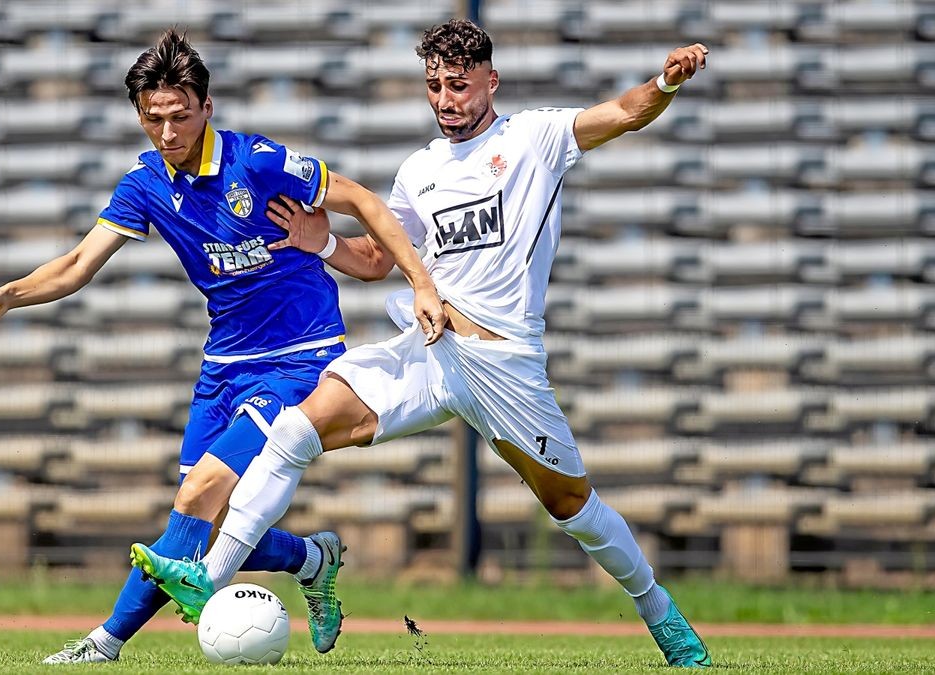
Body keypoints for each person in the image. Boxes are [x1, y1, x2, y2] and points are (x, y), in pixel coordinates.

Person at [133, 19, 713, 668]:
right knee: (296, 426)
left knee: (571, 506)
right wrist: (318, 241)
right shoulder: (420, 171)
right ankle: (210, 576)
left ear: (490, 82)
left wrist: (666, 81)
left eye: (459, 85)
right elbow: (379, 259)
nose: (445, 99)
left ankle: (660, 610)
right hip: (430, 351)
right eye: (434, 85)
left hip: (503, 365)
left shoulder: (535, 139)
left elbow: (628, 112)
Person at [0, 30, 445, 663]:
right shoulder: (144, 185)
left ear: (206, 108)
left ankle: (103, 644)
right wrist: (8, 295)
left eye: (179, 116)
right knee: (204, 524)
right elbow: (78, 264)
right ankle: (310, 558)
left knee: (195, 498)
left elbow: (364, 202)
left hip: (300, 355)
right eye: (152, 118)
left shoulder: (257, 161)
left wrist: (420, 281)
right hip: (223, 365)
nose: (166, 131)